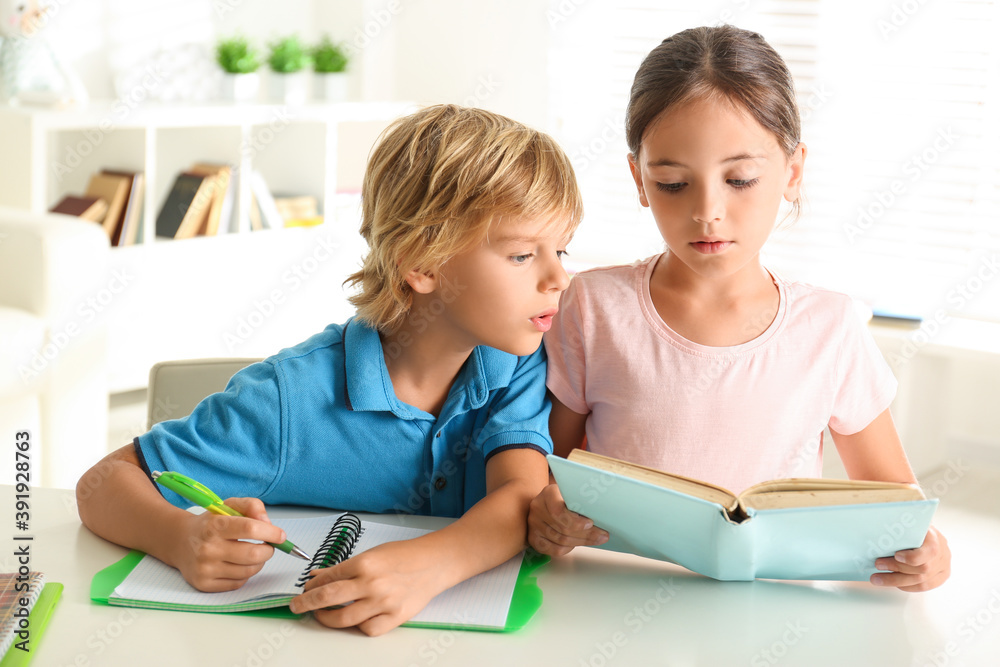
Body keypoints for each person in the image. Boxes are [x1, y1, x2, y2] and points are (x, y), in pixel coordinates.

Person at [77, 104, 583, 635]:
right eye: (523, 255)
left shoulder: (516, 362)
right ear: (424, 264)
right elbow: (103, 484)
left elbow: (519, 496)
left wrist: (426, 567)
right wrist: (179, 538)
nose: (560, 276)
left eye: (562, 248)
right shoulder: (286, 399)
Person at [526, 25, 950, 592]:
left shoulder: (831, 327)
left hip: (772, 611)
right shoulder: (593, 305)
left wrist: (928, 555)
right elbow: (544, 474)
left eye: (740, 179)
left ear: (792, 173)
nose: (707, 211)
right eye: (673, 183)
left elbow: (898, 512)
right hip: (611, 590)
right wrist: (545, 515)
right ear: (639, 179)